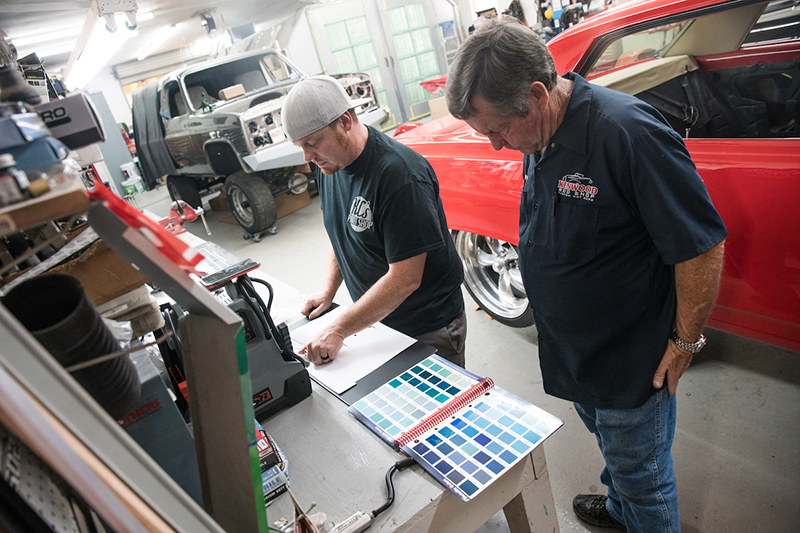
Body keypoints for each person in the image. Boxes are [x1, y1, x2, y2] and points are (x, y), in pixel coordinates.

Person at [445, 17, 727, 533]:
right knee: (612, 446)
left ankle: (636, 507)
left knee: (644, 474)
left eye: (498, 130)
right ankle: (621, 507)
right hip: (576, 355)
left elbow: (701, 247)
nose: (496, 147)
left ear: (536, 95)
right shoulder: (539, 132)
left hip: (630, 361)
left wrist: (685, 343)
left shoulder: (628, 134)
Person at [281, 75, 467, 368]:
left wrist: (339, 328)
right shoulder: (330, 165)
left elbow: (405, 278)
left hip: (426, 328)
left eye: (312, 142)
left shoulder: (400, 176)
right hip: (376, 321)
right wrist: (329, 290)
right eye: (300, 146)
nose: (307, 156)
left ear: (344, 122)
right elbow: (342, 233)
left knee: (436, 412)